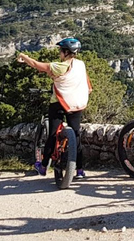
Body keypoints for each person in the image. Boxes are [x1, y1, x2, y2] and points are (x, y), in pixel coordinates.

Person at [17, 38, 91, 179]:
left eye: (60, 51)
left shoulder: (60, 66)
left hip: (59, 103)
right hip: (76, 104)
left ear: (65, 52)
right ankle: (80, 170)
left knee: (52, 134)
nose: (59, 54)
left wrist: (23, 57)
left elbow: (37, 65)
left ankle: (44, 166)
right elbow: (86, 83)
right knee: (76, 135)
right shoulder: (80, 65)